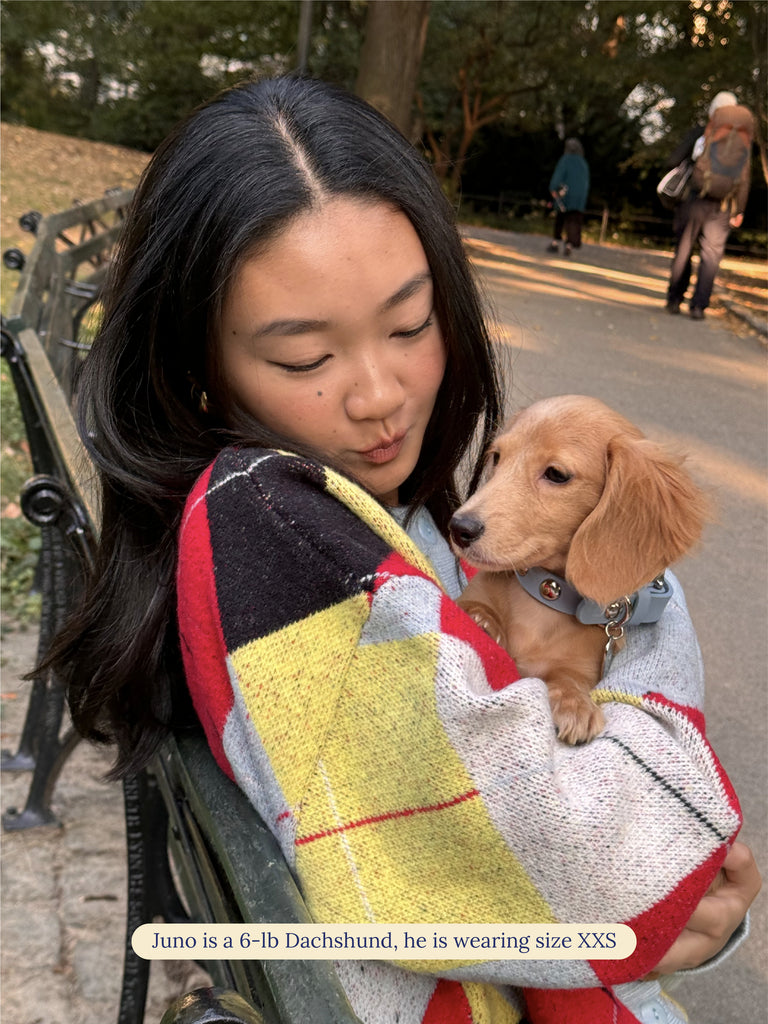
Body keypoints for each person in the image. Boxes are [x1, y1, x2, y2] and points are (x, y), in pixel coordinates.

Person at [47, 77, 759, 1024]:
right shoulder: (275, 536)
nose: (380, 396)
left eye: (410, 324)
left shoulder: (381, 514)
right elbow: (611, 877)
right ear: (195, 366)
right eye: (306, 358)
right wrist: (677, 835)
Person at [665, 90, 754, 320]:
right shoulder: (742, 140)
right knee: (712, 256)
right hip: (723, 206)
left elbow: (673, 160)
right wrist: (740, 210)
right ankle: (698, 306)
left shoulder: (700, 133)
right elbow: (744, 179)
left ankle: (675, 299)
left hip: (694, 201)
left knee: (684, 249)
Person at [547, 138, 590, 256]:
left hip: (565, 196)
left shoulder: (565, 160)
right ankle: (569, 244)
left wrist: (553, 188)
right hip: (579, 199)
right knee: (574, 220)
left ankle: (555, 242)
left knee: (560, 217)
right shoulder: (583, 163)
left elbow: (558, 176)